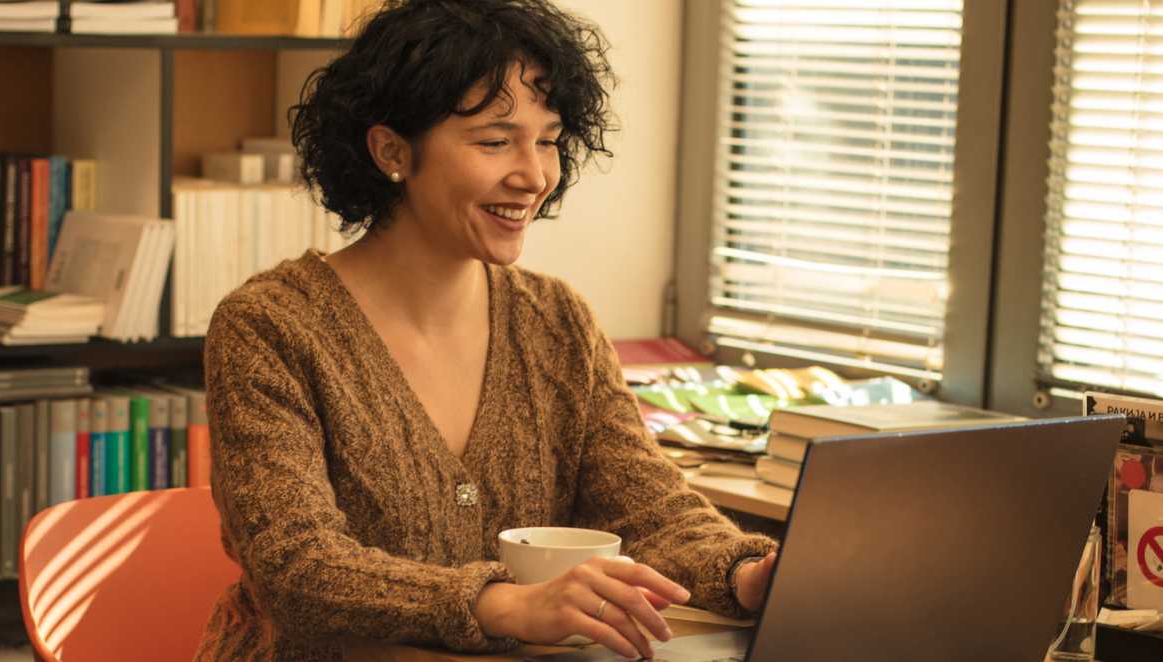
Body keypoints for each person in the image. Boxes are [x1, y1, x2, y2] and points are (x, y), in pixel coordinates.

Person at [196, 1, 779, 659]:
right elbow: (297, 564)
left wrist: (750, 574)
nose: (533, 176)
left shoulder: (557, 321)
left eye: (549, 139)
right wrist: (504, 604)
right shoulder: (271, 325)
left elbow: (649, 510)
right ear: (391, 151)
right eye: (495, 141)